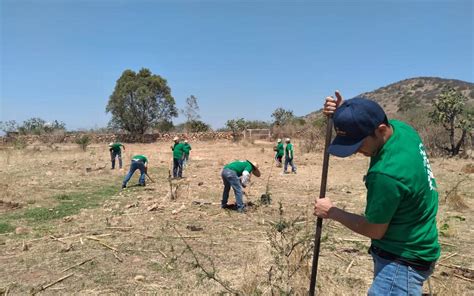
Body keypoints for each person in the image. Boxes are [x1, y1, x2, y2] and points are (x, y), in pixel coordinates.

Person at [313, 91, 440, 295]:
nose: (355, 151)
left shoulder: (385, 174)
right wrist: (347, 114)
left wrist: (331, 212)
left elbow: (374, 230)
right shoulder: (403, 130)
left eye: (359, 143)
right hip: (418, 241)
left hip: (401, 262)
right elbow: (369, 120)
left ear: (380, 130)